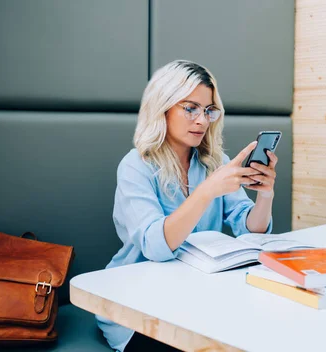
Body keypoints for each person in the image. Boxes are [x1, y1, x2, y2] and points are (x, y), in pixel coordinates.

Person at [96, 60, 277, 351]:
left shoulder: (211, 162)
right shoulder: (135, 166)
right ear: (163, 107)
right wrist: (206, 192)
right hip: (140, 306)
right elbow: (155, 245)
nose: (203, 121)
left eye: (208, 111)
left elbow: (250, 229)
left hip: (198, 298)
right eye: (190, 108)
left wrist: (265, 195)